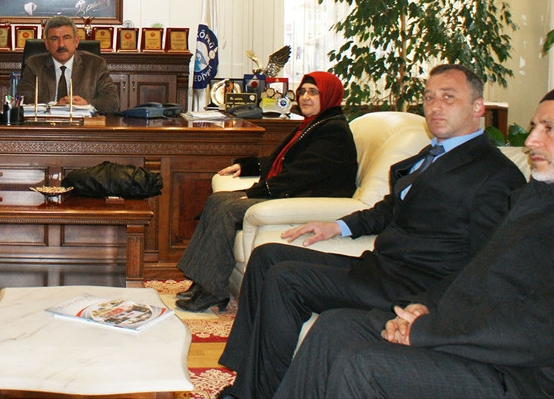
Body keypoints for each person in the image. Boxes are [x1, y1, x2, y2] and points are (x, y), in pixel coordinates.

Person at [274, 82, 554, 399]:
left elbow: (548, 328)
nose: (532, 140)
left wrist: (426, 331)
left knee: (361, 364)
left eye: (549, 129)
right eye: (535, 127)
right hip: (482, 343)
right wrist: (424, 305)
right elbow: (479, 272)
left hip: (536, 378)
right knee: (336, 326)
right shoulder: (537, 195)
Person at [216, 64, 525, 399]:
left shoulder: (494, 175)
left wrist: (428, 307)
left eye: (448, 97)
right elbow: (390, 208)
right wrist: (338, 225)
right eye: (429, 97)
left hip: (414, 284)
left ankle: (252, 394)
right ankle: (249, 381)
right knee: (267, 256)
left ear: (478, 107)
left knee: (285, 279)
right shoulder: (433, 154)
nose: (435, 106)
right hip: (379, 268)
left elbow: (486, 262)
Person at [175, 71, 358, 312]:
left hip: (307, 198)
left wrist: (258, 192)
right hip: (292, 190)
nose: (305, 97)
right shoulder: (314, 124)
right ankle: (203, 282)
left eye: (313, 92)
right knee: (216, 200)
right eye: (302, 91)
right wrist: (249, 166)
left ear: (330, 95)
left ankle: (213, 290)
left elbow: (303, 174)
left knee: (227, 209)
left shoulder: (333, 130)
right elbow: (282, 160)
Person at [18, 15, 119, 114]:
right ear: (47, 44)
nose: (61, 44)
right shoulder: (34, 65)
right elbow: (23, 99)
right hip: (46, 123)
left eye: (66, 37)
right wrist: (54, 106)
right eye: (54, 38)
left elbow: (112, 101)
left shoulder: (96, 65)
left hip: (83, 124)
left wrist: (87, 104)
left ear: (76, 41)